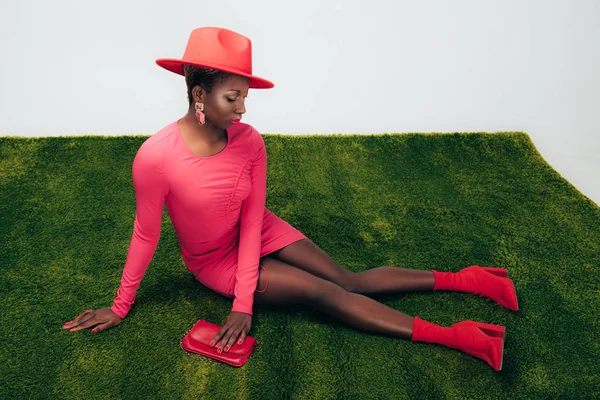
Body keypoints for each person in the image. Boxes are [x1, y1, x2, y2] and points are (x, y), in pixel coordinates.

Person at [61, 27, 518, 371]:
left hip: (257, 227)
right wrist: (122, 307)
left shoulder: (250, 141)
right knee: (325, 292)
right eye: (232, 97)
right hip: (213, 260)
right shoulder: (155, 158)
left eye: (244, 97)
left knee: (348, 278)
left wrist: (244, 303)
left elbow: (254, 215)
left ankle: (469, 279)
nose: (243, 108)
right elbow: (146, 234)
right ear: (200, 94)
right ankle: (457, 336)